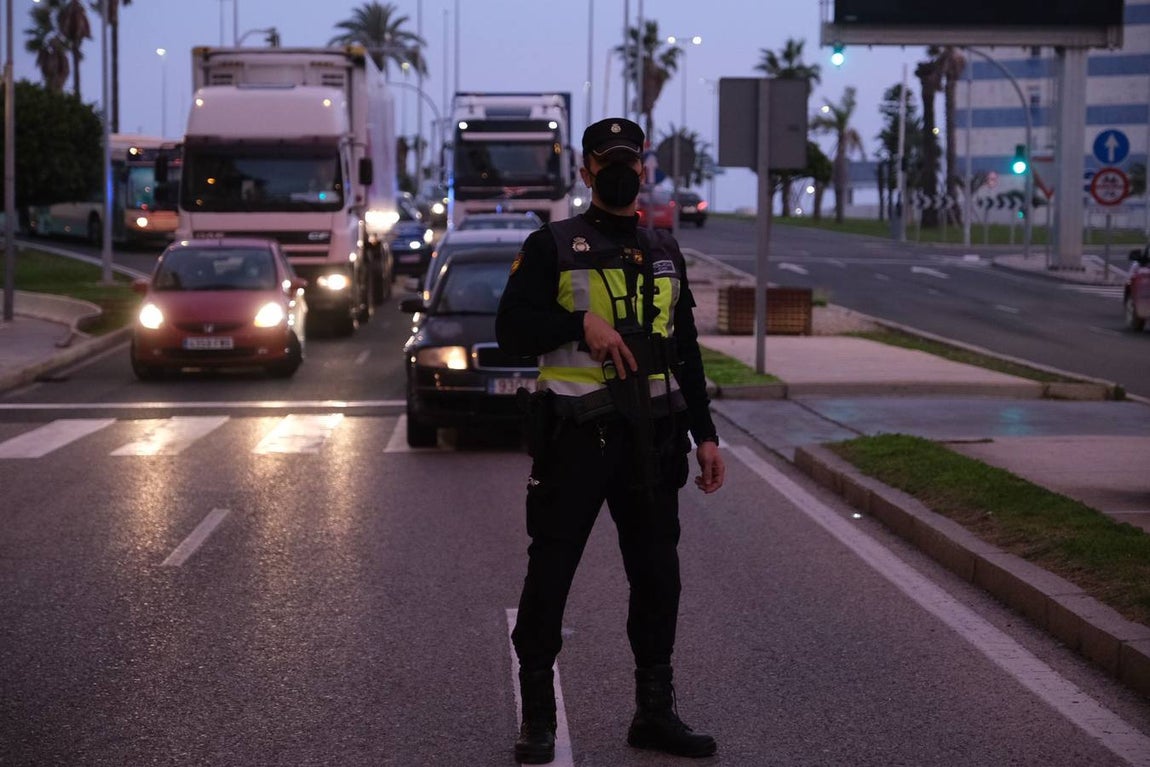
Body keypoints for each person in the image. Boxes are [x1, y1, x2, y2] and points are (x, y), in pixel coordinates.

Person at [496, 117, 725, 764]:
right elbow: (512, 326)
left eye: (631, 158)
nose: (622, 169)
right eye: (608, 159)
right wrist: (579, 322)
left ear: (644, 167)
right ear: (586, 170)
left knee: (659, 579)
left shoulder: (665, 250)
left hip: (653, 442)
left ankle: (654, 712)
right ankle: (538, 715)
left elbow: (685, 350)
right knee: (551, 575)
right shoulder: (551, 246)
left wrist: (706, 435)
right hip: (576, 440)